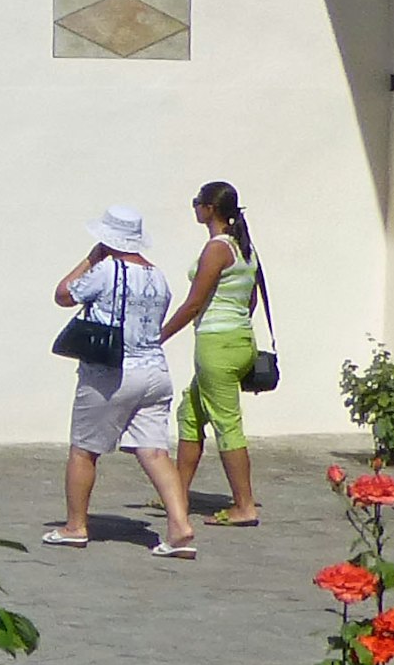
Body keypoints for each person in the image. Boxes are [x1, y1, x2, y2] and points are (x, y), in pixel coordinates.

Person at [49, 205, 199, 556]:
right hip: (155, 372)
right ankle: (180, 526)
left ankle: (75, 526)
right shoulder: (157, 277)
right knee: (155, 451)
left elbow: (63, 294)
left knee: (84, 450)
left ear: (107, 239)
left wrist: (89, 260)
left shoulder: (105, 270)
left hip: (111, 372)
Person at [168, 181, 266, 525]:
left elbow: (195, 302)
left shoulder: (217, 248)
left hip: (216, 344)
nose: (194, 207)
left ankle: (244, 505)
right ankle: (176, 493)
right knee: (191, 413)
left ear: (210, 208)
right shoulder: (245, 248)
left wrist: (158, 336)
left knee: (227, 423)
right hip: (240, 339)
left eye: (197, 202)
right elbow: (250, 299)